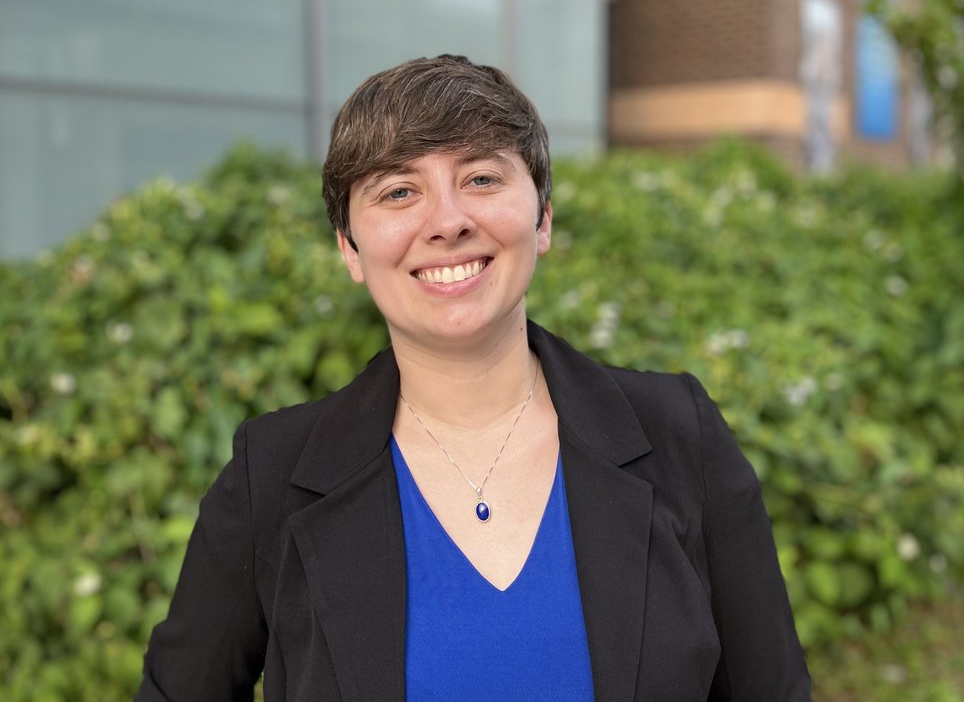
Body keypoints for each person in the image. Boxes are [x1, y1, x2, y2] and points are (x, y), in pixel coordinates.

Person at [135, 55, 811, 701]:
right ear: (349, 247)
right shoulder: (273, 476)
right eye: (399, 191)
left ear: (542, 217)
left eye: (482, 179)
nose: (448, 221)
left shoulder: (679, 435)